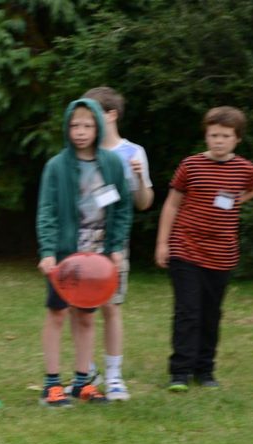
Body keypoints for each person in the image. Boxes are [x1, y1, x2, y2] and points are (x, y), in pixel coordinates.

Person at [155, 106, 253, 392]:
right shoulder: (190, 165)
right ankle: (180, 372)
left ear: (237, 138)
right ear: (206, 135)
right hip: (185, 248)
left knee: (210, 314)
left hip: (222, 254)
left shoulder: (244, 168)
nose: (218, 141)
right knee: (188, 311)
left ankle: (204, 370)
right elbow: (172, 204)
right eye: (214, 135)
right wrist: (163, 243)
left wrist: (240, 199)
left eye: (225, 136)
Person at [36, 99, 132, 407]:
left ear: (98, 127)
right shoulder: (56, 166)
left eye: (88, 126)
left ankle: (82, 383)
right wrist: (48, 251)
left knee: (87, 317)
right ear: (67, 127)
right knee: (58, 313)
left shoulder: (112, 164)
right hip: (64, 254)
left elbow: (122, 208)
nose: (80, 131)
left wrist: (115, 247)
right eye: (75, 125)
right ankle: (52, 384)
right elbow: (47, 212)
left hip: (97, 255)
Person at [75, 87, 154, 401]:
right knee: (80, 309)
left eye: (93, 113)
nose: (85, 122)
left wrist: (139, 178)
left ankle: (114, 377)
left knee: (111, 307)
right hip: (81, 240)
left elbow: (144, 203)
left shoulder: (133, 152)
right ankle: (86, 372)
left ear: (111, 115)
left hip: (114, 243)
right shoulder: (82, 150)